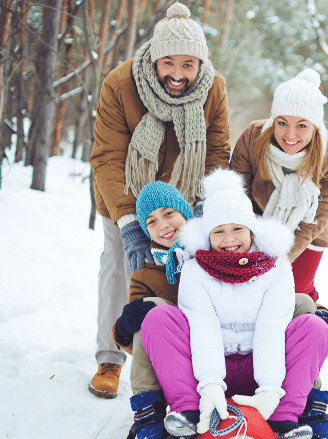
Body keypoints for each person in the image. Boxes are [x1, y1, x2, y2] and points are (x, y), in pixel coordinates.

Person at [88, 1, 231, 399]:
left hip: (185, 198)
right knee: (121, 264)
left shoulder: (213, 87)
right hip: (127, 196)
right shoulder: (121, 83)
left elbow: (217, 149)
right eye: (169, 63)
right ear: (154, 58)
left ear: (201, 63)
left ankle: (179, 361)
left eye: (189, 65)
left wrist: (202, 207)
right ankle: (110, 358)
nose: (178, 74)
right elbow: (107, 156)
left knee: (186, 275)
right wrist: (131, 223)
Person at [113, 179, 320, 439]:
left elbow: (278, 318)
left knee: (307, 311)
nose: (163, 225)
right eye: (151, 221)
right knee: (153, 312)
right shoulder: (149, 272)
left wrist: (316, 316)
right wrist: (124, 327)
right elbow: (150, 342)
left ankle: (307, 412)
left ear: (187, 217)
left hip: (256, 358)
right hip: (191, 363)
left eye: (169, 214)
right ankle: (157, 415)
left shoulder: (271, 265)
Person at [230, 69, 328, 439]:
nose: (290, 134)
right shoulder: (253, 136)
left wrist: (277, 260)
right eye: (282, 122)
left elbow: (314, 221)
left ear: (316, 126)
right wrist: (248, 248)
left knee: (295, 302)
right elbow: (235, 197)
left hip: (308, 235)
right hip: (255, 225)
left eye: (302, 125)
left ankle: (311, 403)